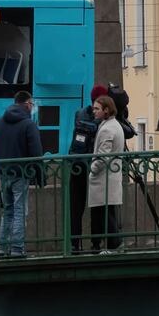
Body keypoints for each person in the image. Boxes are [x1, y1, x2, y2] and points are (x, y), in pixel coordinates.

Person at [0, 90, 43, 259]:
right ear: (27, 104)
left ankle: (2, 248)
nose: (32, 107)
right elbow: (36, 152)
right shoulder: (29, 124)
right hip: (20, 173)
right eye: (31, 104)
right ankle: (17, 249)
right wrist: (40, 174)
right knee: (19, 210)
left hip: (2, 173)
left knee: (8, 210)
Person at [65, 84, 106, 253]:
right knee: (97, 206)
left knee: (76, 207)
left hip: (76, 165)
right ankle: (96, 244)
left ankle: (74, 244)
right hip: (93, 167)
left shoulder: (80, 113)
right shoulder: (103, 117)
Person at [88, 95, 126, 254]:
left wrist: (92, 170)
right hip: (111, 176)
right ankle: (108, 244)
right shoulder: (113, 125)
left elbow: (103, 156)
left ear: (106, 110)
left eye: (97, 109)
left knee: (105, 212)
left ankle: (113, 245)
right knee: (106, 211)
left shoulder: (107, 129)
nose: (94, 111)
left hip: (104, 177)